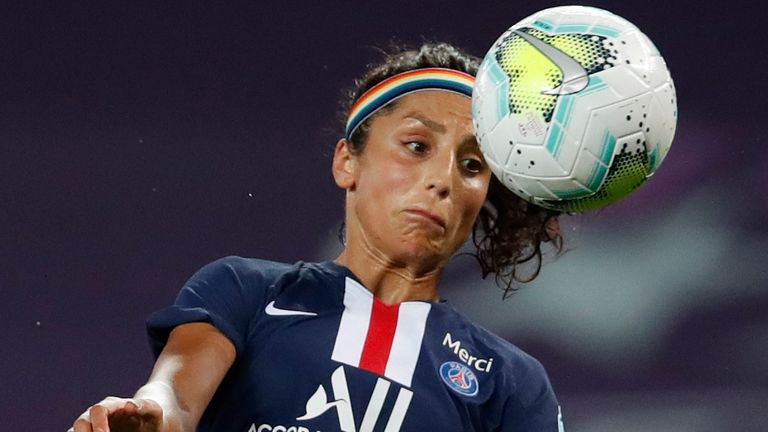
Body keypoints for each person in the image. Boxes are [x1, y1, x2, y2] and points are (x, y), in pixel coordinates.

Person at [70, 42, 565, 432]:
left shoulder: (511, 383)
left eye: (472, 164)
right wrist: (149, 415)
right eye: (417, 146)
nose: (444, 180)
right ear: (347, 162)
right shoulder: (247, 291)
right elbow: (174, 398)